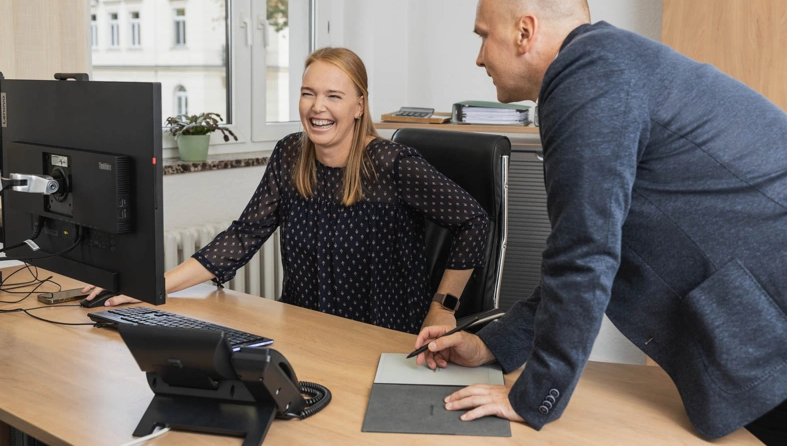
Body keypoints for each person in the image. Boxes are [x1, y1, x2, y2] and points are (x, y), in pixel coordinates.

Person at [415, 0, 787, 440]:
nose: (479, 58)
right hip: (770, 322)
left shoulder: (590, 73)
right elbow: (597, 241)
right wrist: (493, 346)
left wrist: (534, 396)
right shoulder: (606, 67)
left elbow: (585, 251)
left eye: (483, 36)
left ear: (525, 32)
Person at [85, 47, 489, 335]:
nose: (317, 107)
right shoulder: (290, 153)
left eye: (334, 96)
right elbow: (243, 236)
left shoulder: (391, 163)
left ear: (359, 106)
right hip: (305, 327)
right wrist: (150, 287)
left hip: (382, 333)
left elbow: (474, 222)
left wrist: (443, 307)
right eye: (308, 93)